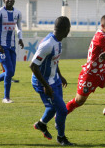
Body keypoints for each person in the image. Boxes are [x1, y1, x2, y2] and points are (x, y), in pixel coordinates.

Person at [66, 14, 105, 122]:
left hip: (100, 72)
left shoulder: (104, 35)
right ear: (103, 26)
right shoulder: (102, 37)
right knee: (79, 101)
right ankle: (60, 115)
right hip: (90, 74)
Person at [30, 16, 73, 146]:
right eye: (69, 28)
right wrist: (46, 85)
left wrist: (60, 75)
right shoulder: (47, 44)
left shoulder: (57, 40)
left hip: (55, 80)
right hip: (43, 83)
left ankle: (41, 124)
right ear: (65, 29)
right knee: (62, 110)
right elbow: (33, 66)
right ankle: (61, 138)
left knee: (52, 108)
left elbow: (53, 61)